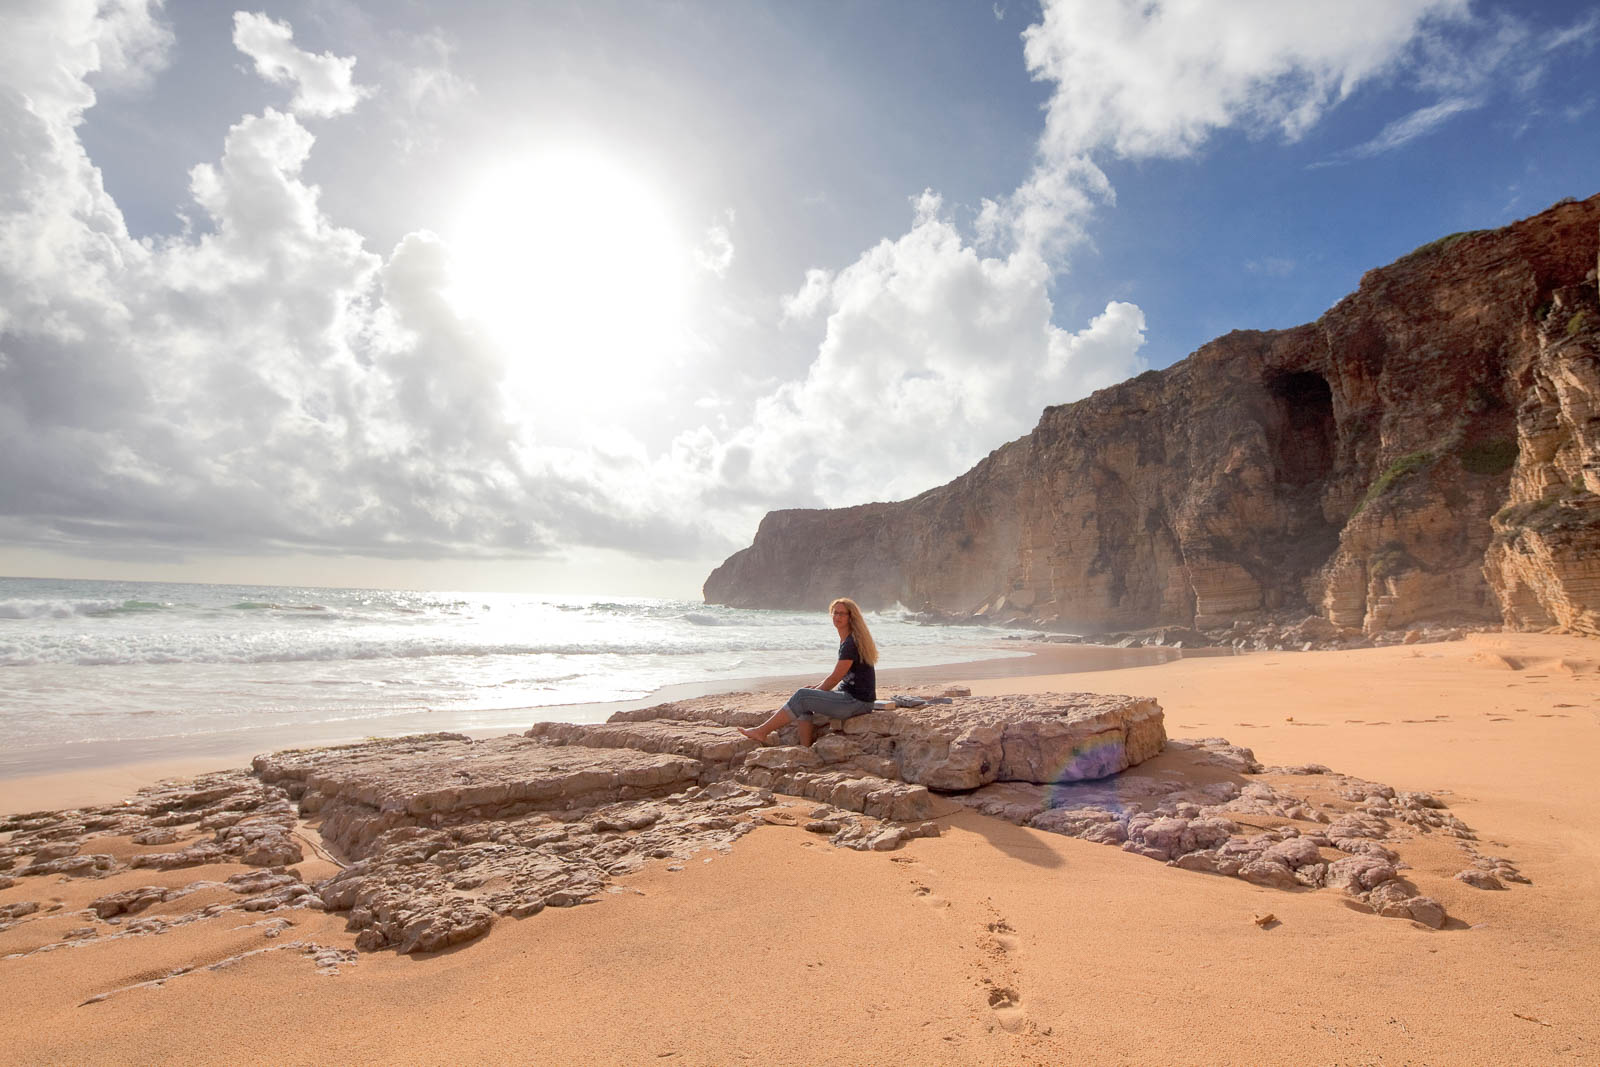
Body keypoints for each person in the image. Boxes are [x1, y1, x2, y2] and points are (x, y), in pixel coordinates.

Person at [738, 597, 878, 747]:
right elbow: (835, 677)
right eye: (835, 613)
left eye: (842, 614)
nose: (837, 617)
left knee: (802, 696)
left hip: (857, 702)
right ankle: (805, 747)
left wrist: (812, 693)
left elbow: (834, 678)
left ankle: (761, 731)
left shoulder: (851, 643)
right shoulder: (848, 639)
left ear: (851, 617)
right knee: (804, 697)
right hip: (850, 698)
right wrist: (814, 690)